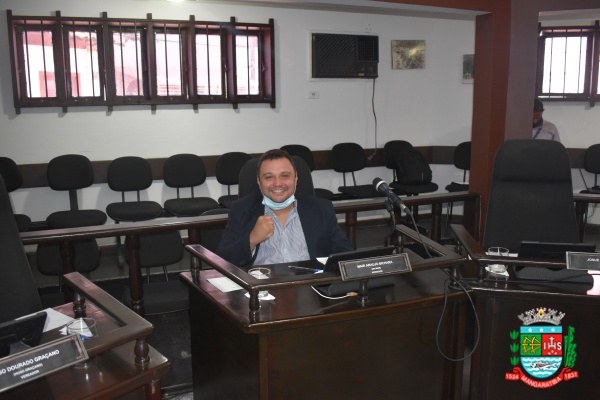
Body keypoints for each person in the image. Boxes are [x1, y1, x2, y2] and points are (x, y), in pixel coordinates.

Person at [216, 149, 353, 268]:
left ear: (296, 178)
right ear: (258, 181)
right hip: (263, 286)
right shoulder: (242, 210)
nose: (278, 183)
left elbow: (345, 255)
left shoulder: (320, 209)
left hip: (310, 284)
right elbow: (222, 261)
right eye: (269, 177)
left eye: (285, 176)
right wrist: (251, 239)